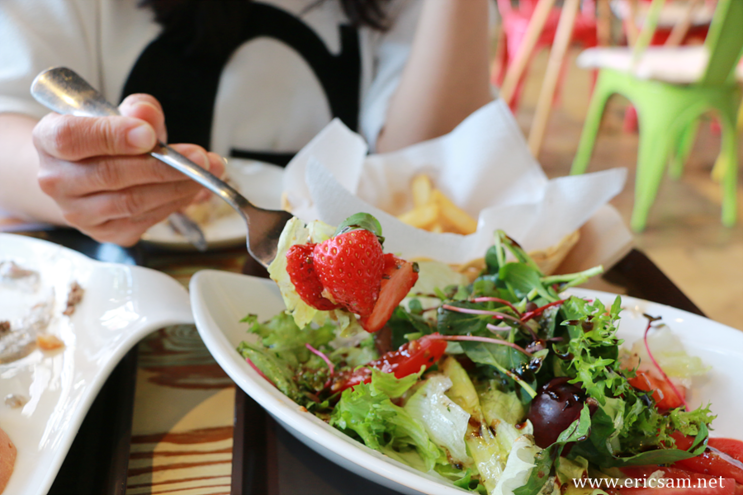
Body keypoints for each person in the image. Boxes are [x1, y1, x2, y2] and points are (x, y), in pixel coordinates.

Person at [0, 0, 494, 246]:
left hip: (332, 297)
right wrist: (76, 181)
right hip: (109, 291)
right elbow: (10, 124)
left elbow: (432, 169)